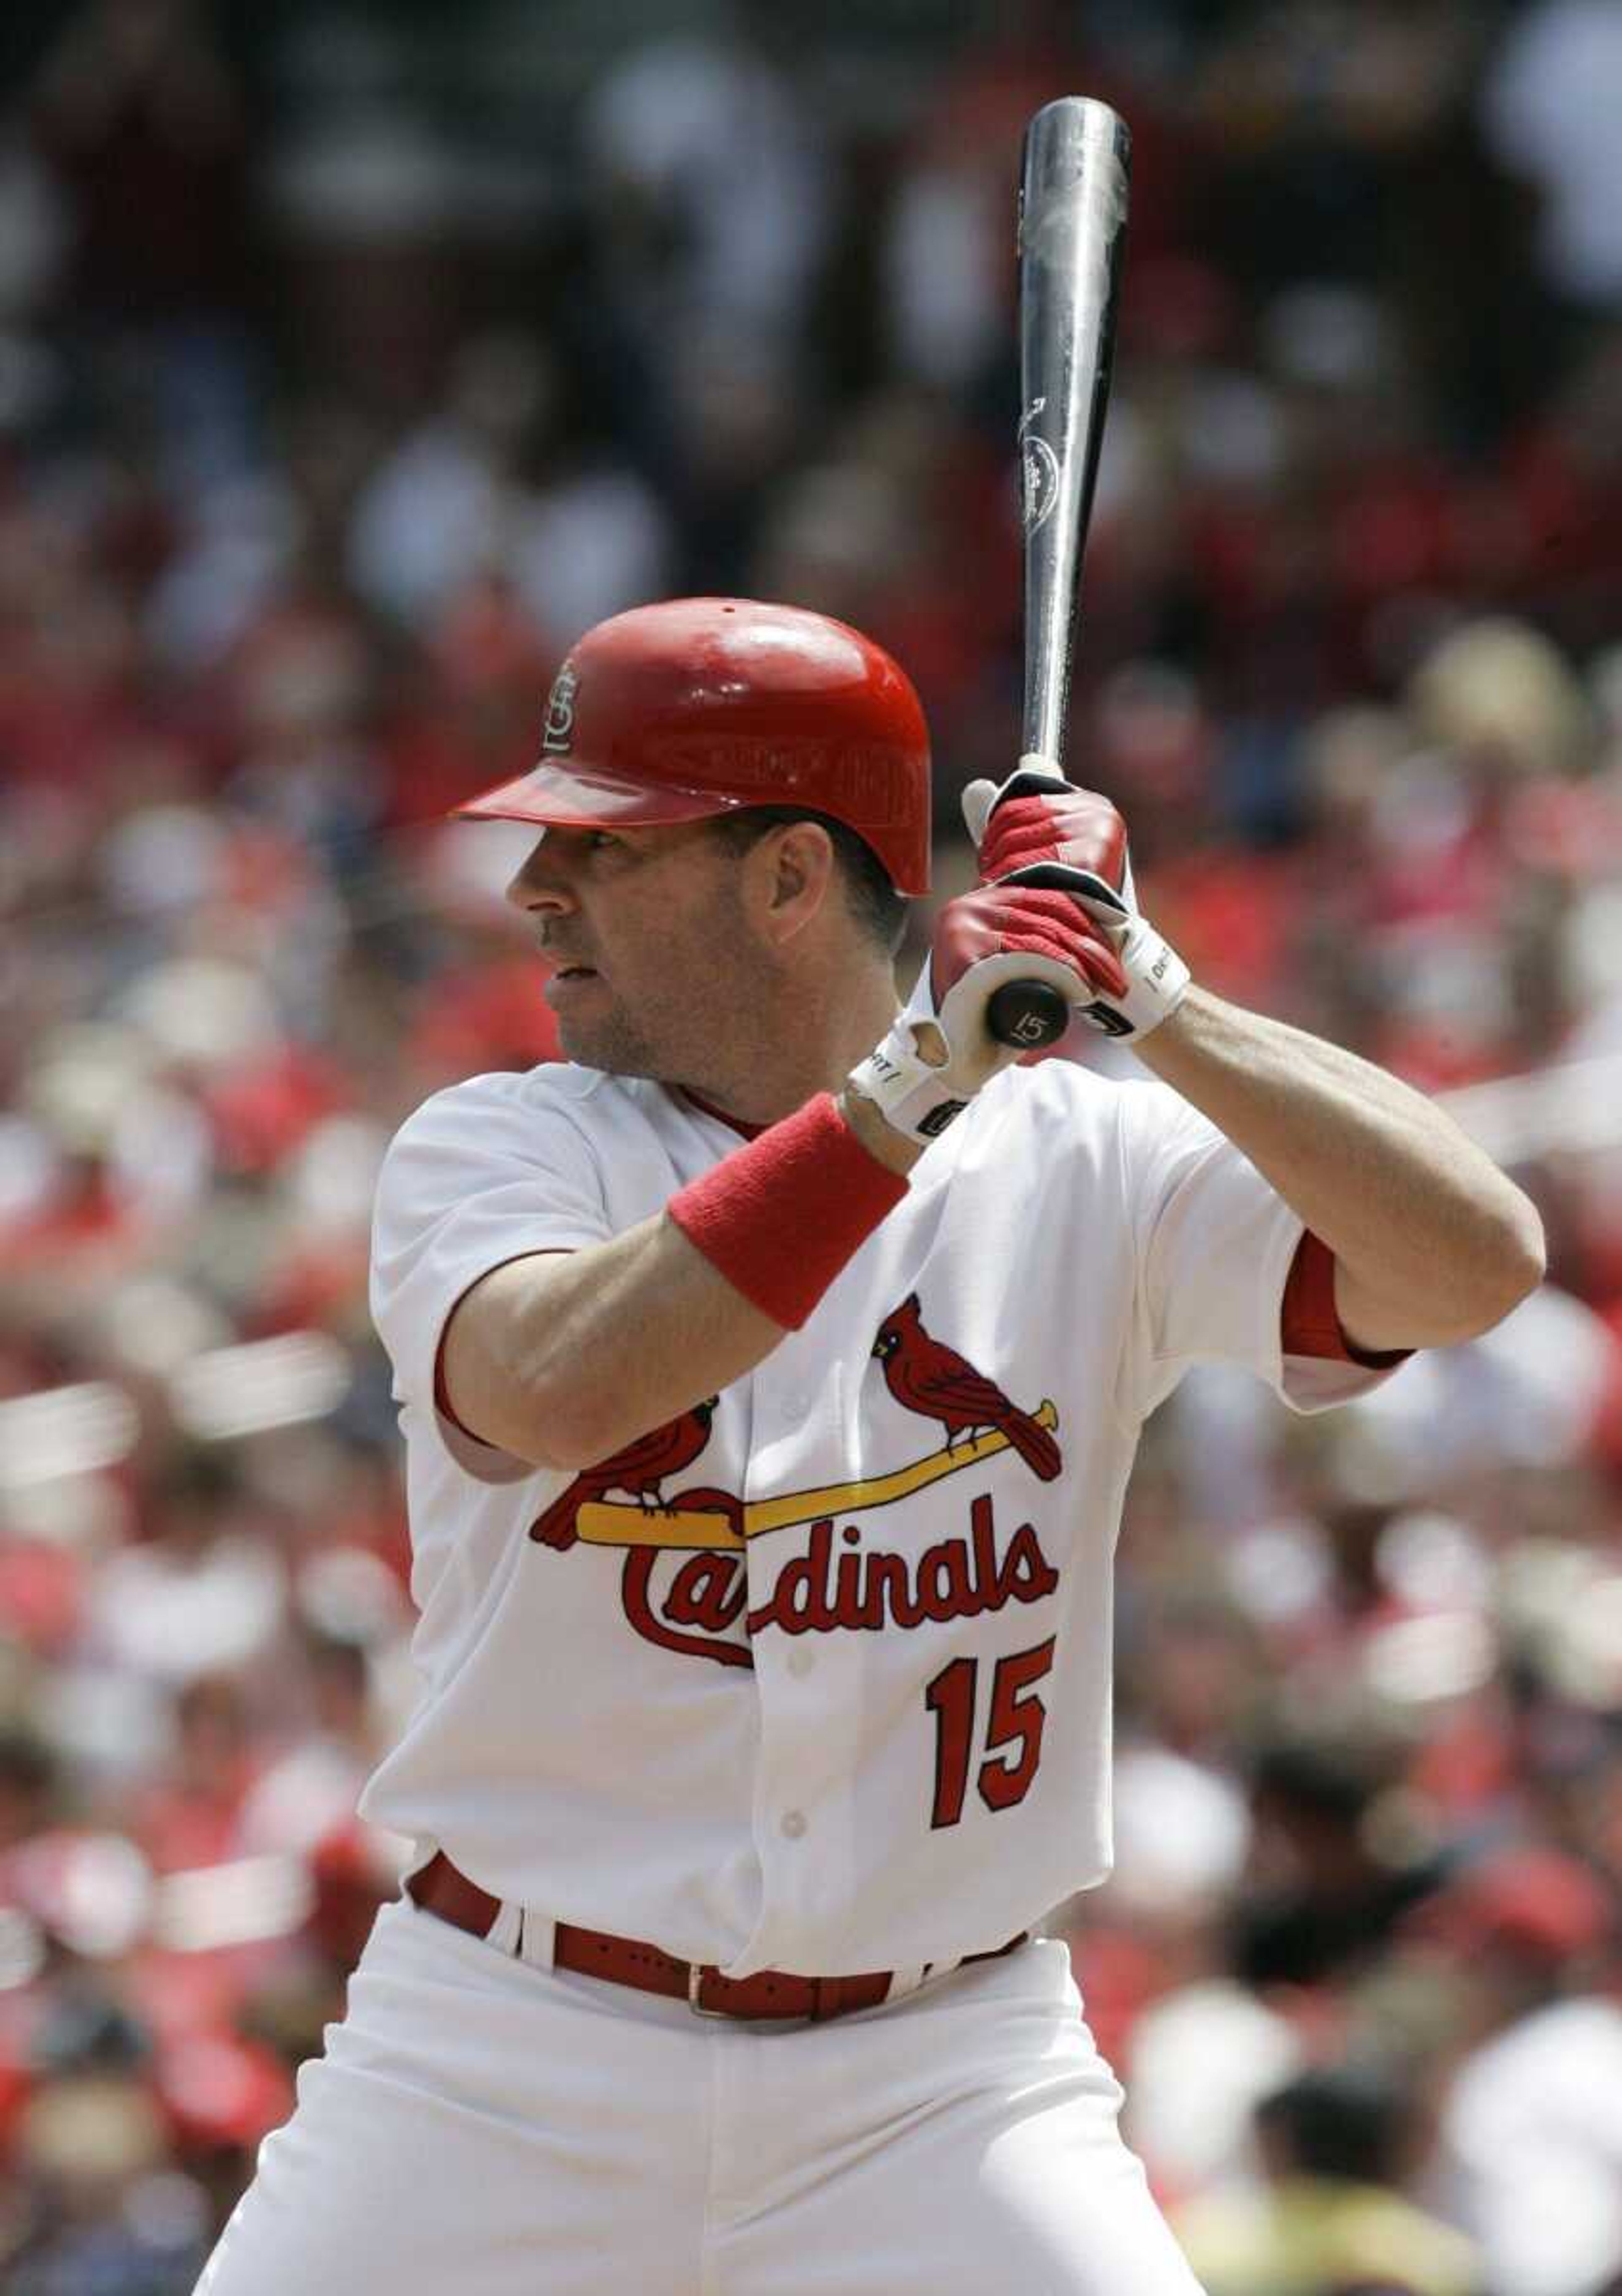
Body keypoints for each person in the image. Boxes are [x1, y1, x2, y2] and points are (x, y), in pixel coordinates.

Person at [192, 596, 1543, 2295]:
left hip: (942, 2081)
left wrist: (1163, 995)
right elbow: (550, 1385)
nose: (539, 893)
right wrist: (910, 1084)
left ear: (787, 880)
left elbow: (1474, 1259)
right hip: (505, 2047)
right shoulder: (499, 1145)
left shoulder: (1078, 1157)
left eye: (605, 851)